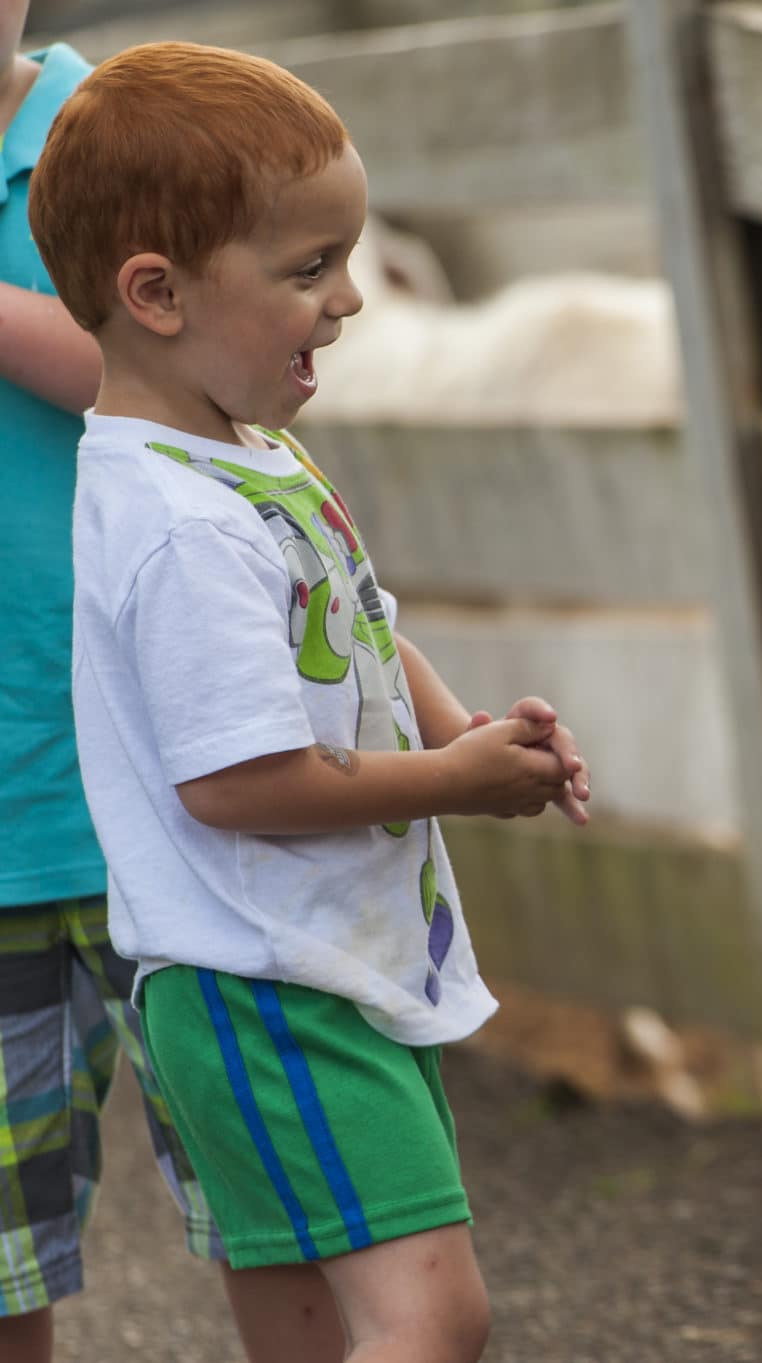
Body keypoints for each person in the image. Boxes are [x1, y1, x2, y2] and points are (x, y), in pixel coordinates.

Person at [32, 40, 593, 1363]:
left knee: (305, 1330)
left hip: (319, 964)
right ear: (156, 294)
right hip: (271, 986)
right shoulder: (180, 524)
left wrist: (463, 732)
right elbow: (234, 783)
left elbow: (357, 624)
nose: (349, 300)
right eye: (307, 269)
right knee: (431, 1319)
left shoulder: (245, 452)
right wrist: (458, 787)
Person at [0, 15, 251, 1362]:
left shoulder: (127, 140)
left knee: (280, 1204)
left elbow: (207, 367)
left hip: (177, 792)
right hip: (1, 808)